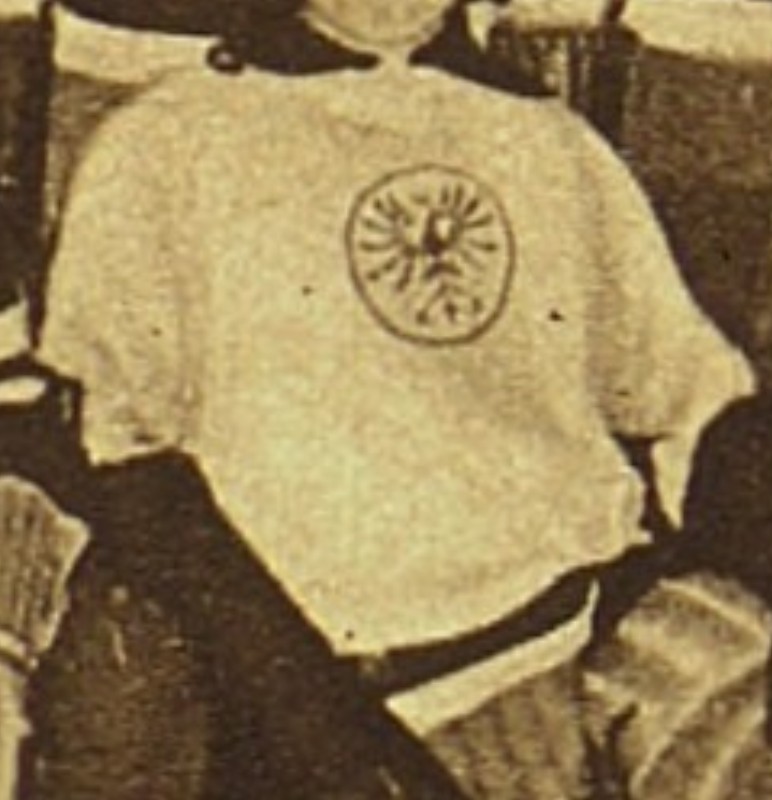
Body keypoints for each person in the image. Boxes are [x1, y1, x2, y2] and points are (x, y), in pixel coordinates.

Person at [30, 0, 765, 797]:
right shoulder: (167, 141)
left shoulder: (550, 141)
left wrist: (636, 647)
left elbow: (699, 405)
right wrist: (330, 732)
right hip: (330, 678)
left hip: (573, 634)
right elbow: (120, 456)